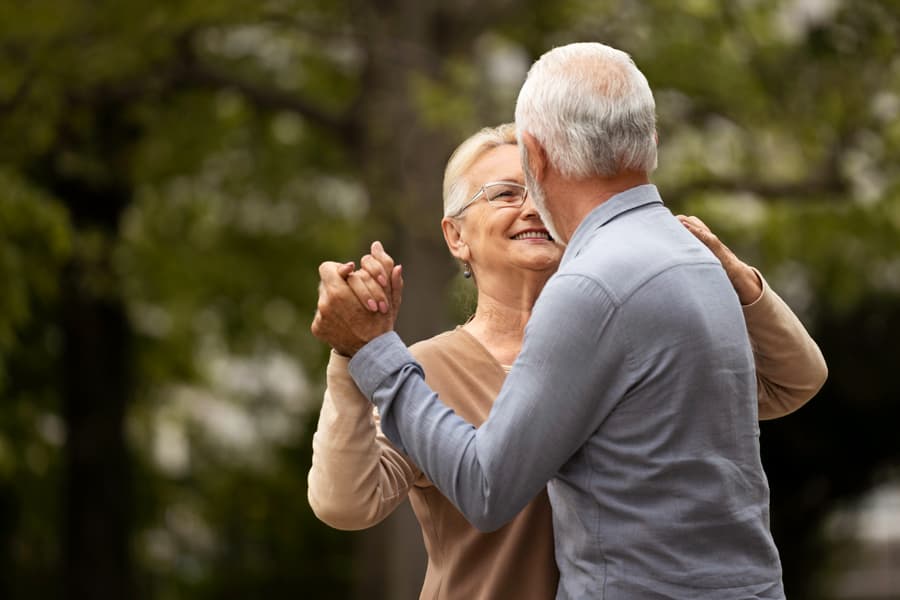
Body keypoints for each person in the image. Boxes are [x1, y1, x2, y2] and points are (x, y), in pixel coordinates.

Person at [308, 119, 827, 599]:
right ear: (456, 236)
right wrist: (353, 355)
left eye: (540, 192)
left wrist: (735, 278)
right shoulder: (427, 369)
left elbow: (795, 381)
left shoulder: (632, 341)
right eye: (505, 194)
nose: (531, 208)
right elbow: (347, 504)